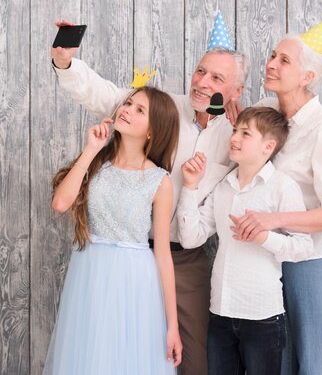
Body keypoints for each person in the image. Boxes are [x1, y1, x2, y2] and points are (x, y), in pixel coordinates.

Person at [50, 19, 248, 375]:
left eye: (217, 79)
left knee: (190, 361)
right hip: (121, 257)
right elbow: (107, 95)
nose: (203, 82)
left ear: (236, 91)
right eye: (201, 71)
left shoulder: (237, 136)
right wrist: (66, 63)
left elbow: (276, 129)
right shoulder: (163, 107)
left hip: (183, 259)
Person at [229, 17, 322, 375]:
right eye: (272, 56)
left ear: (307, 77)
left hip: (315, 257)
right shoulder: (267, 111)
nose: (271, 64)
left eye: (285, 60)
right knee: (277, 359)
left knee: (314, 360)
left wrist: (274, 220)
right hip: (271, 254)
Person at [43, 87, 182, 375]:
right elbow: (60, 203)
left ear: (153, 131)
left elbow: (164, 255)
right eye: (128, 103)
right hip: (90, 275)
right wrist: (91, 149)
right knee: (90, 357)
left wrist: (172, 326)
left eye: (139, 110)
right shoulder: (97, 163)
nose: (127, 110)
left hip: (135, 281)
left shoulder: (159, 180)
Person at [177, 107, 313, 375]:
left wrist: (265, 238)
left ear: (268, 146)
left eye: (245, 133)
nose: (234, 138)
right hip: (219, 314)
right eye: (235, 130)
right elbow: (192, 238)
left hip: (262, 318)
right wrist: (190, 187)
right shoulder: (223, 185)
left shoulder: (282, 187)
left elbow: (304, 247)